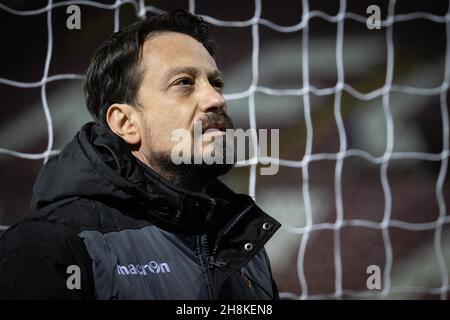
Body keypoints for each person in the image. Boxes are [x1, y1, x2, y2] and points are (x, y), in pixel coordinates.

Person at [0, 9, 280, 300]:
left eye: (216, 83)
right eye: (184, 82)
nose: (216, 99)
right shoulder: (49, 246)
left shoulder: (244, 243)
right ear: (125, 123)